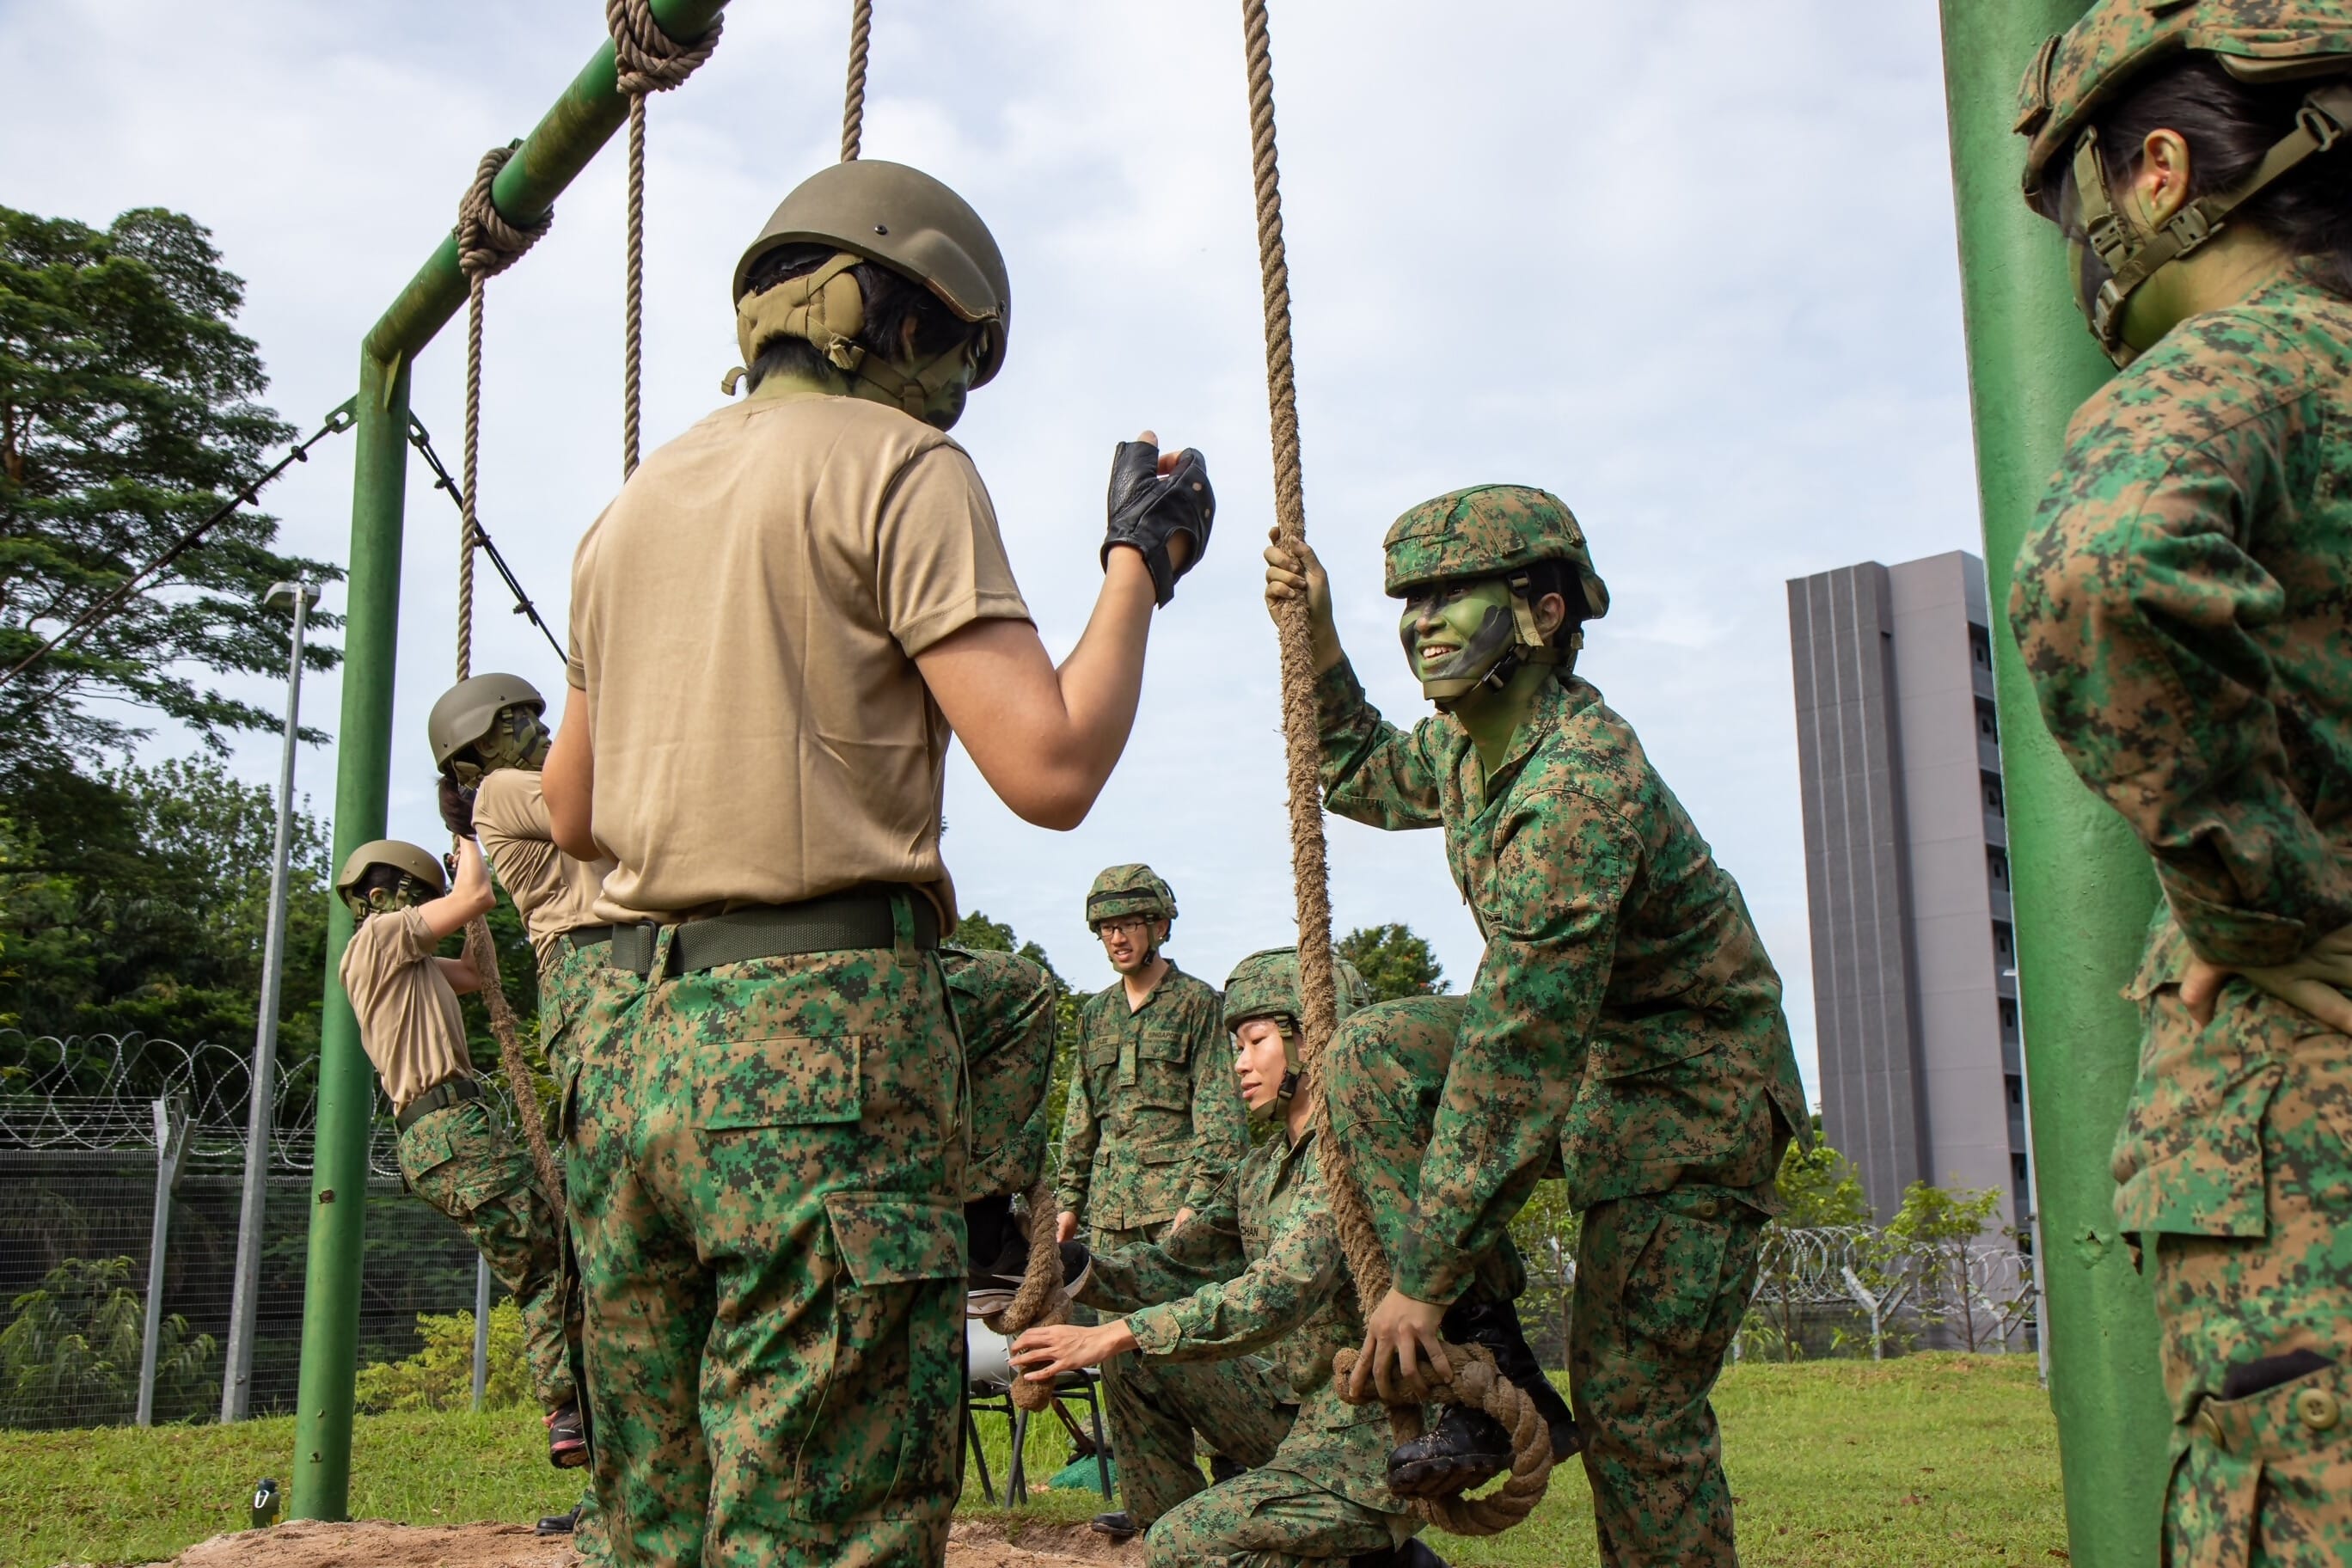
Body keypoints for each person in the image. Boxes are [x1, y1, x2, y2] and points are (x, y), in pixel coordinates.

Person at [540, 158, 1215, 1568]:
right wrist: (1135, 565)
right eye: (957, 356)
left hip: (638, 1057)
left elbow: (573, 807)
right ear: (890, 323)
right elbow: (1049, 765)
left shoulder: (630, 509)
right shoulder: (903, 469)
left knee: (659, 1518)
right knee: (829, 1517)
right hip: (820, 1054)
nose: (954, 391)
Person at [1264, 486, 1806, 1565]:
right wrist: (1319, 638)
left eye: (1451, 593)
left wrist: (1416, 1282)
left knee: (1638, 1414)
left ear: (1545, 614)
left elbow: (1516, 1057)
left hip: (1694, 1100)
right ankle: (1492, 1361)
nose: (1421, 618)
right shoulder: (1469, 753)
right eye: (1410, 598)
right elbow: (1359, 767)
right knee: (1369, 1055)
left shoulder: (1576, 788)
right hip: (1602, 1072)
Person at [2008, 7, 2352, 1557]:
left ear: (2158, 174)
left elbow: (2105, 561)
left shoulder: (2240, 369)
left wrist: (2264, 901)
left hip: (2308, 1122)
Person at [1010, 946, 1443, 1568]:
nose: (1239, 1064)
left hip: (1371, 1440)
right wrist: (1070, 1263)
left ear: (1312, 1041)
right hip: (1297, 1416)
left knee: (1184, 1538)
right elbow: (1172, 1267)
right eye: (1236, 1046)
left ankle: (1365, 1552)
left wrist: (1115, 1334)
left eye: (1255, 1041)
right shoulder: (1261, 1169)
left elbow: (1277, 1292)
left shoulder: (1350, 1158)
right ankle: (1199, 1539)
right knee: (1139, 1374)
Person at [428, 671, 615, 1540]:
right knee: (613, 1244)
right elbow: (617, 804)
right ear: (487, 746)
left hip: (607, 970)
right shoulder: (509, 787)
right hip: (594, 973)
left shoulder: (509, 788)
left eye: (539, 716)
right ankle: (613, 1474)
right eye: (522, 720)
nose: (541, 729)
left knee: (621, 1242)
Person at [333, 836, 585, 1469]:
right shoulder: (380, 939)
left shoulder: (408, 965)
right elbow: (474, 895)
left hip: (451, 1131)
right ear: (393, 896)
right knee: (547, 1263)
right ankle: (568, 1408)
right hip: (446, 1129)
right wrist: (472, 839)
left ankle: (580, 1400)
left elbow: (473, 973)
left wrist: (475, 920)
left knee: (559, 1249)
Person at [1053, 864, 1254, 1538]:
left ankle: (1241, 1478)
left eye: (1131, 923)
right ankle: (1156, 1505)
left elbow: (1220, 1112)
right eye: (1108, 926)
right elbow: (1081, 1114)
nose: (1119, 936)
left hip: (1180, 1217)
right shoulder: (1094, 1016)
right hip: (1112, 1215)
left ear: (1160, 926)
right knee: (1120, 1361)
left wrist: (1199, 1204)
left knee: (1200, 1345)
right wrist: (1068, 1202)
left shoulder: (1200, 1005)